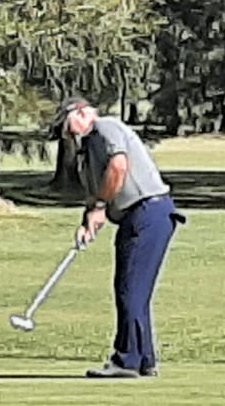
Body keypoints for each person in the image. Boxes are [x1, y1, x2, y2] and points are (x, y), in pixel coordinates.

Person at [49, 96, 186, 379]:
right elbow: (96, 194)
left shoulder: (105, 127)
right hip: (135, 217)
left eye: (68, 125)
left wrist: (100, 207)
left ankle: (127, 360)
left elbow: (119, 166)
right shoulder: (87, 152)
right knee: (131, 290)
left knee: (130, 290)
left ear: (82, 113)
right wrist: (88, 220)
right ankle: (144, 358)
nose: (68, 134)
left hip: (149, 212)